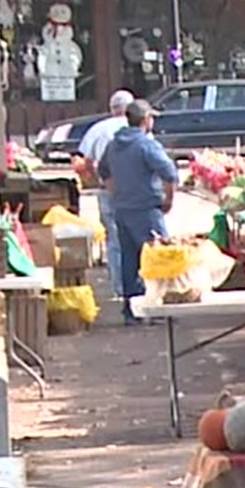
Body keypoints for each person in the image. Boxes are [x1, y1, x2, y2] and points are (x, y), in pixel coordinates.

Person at [96, 98, 177, 325]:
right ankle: (158, 308)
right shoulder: (146, 145)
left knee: (129, 259)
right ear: (145, 120)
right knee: (158, 257)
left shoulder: (114, 144)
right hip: (146, 208)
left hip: (122, 208)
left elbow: (103, 172)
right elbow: (169, 173)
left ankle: (130, 309)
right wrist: (169, 199)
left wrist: (117, 192)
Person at [74, 87, 134, 311]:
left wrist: (94, 176)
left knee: (114, 239)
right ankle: (138, 288)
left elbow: (85, 161)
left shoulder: (98, 129)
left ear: (112, 109)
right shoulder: (136, 127)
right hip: (135, 190)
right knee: (138, 238)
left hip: (107, 188)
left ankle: (119, 287)